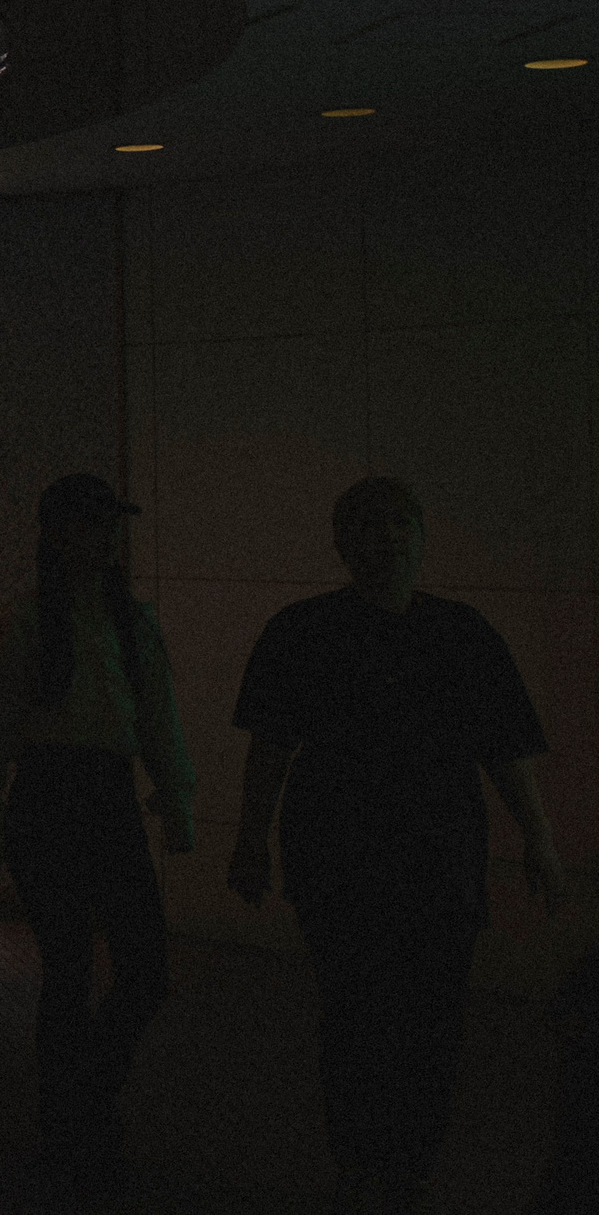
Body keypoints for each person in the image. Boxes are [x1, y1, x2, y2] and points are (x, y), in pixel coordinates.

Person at [227, 476, 563, 1215]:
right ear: (345, 543)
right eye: (374, 526)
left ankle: (385, 1163)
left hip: (400, 854)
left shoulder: (312, 629)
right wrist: (250, 838)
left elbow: (503, 748)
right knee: (373, 1013)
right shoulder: (451, 631)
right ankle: (383, 1161)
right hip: (372, 854)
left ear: (419, 537)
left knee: (410, 1016)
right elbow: (273, 749)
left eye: (398, 524)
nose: (388, 539)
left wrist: (539, 838)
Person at [0, 473, 195, 1198]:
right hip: (51, 795)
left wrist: (178, 796)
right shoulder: (32, 620)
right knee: (69, 969)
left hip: (104, 796)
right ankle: (71, 1121)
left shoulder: (132, 620)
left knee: (142, 968)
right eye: (88, 526)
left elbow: (158, 715)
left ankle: (77, 1105)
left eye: (107, 527)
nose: (101, 541)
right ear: (56, 534)